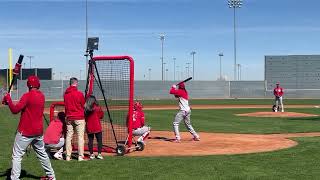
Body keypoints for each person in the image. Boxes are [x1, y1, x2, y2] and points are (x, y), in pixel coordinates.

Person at [2, 76, 55, 180]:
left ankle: (14, 178)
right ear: (38, 84)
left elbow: (15, 110)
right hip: (38, 132)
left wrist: (8, 100)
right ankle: (51, 176)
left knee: (17, 156)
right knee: (42, 154)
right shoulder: (42, 96)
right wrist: (8, 102)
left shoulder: (27, 96)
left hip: (25, 132)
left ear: (28, 85)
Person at [64, 77, 86, 161]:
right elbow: (83, 105)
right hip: (79, 117)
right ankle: (80, 156)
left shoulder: (66, 94)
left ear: (70, 83)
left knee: (69, 136)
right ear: (76, 83)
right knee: (80, 137)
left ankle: (68, 156)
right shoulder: (79, 94)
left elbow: (66, 106)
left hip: (69, 117)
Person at [84, 95, 104, 160]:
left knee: (90, 141)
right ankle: (99, 154)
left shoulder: (86, 109)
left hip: (89, 127)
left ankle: (91, 154)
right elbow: (101, 116)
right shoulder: (97, 107)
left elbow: (85, 117)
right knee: (99, 141)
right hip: (97, 126)